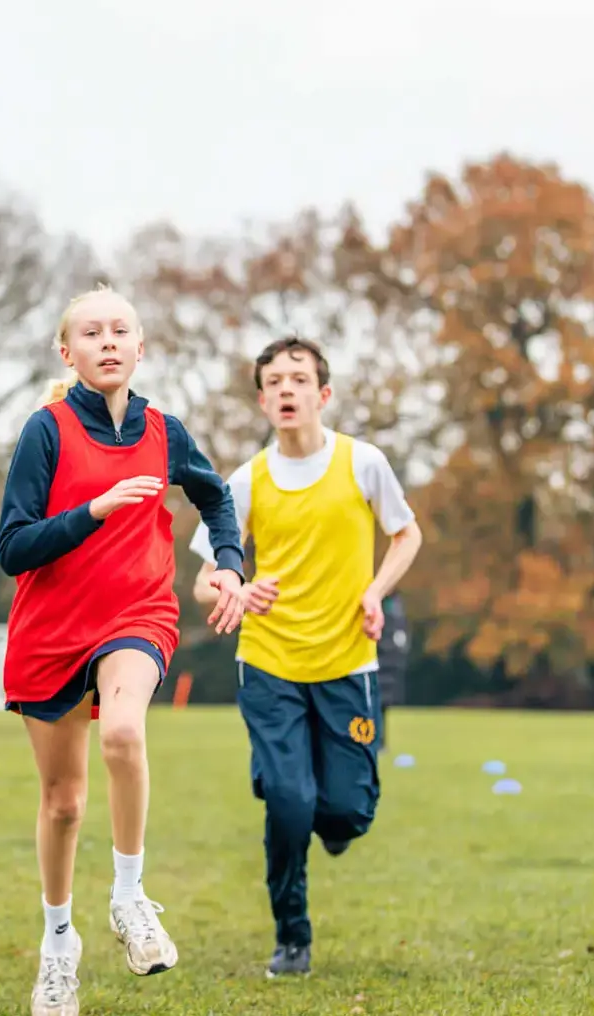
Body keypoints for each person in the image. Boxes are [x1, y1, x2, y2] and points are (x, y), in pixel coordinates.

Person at [0, 284, 249, 1016]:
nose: (108, 341)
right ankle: (57, 947)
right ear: (67, 352)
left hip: (138, 614)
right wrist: (92, 513)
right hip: (49, 632)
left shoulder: (165, 431)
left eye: (121, 330)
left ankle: (132, 899)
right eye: (91, 332)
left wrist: (228, 560)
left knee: (124, 731)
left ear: (141, 348)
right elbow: (12, 548)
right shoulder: (44, 431)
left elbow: (217, 497)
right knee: (64, 804)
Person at [190, 336, 423, 979]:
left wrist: (377, 590)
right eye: (275, 381)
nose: (286, 389)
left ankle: (304, 789)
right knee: (290, 803)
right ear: (263, 400)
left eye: (299, 379)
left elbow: (407, 534)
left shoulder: (364, 463)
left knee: (346, 812)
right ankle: (292, 935)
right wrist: (235, 584)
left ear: (323, 395)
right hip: (269, 664)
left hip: (349, 665)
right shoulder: (246, 481)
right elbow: (205, 577)